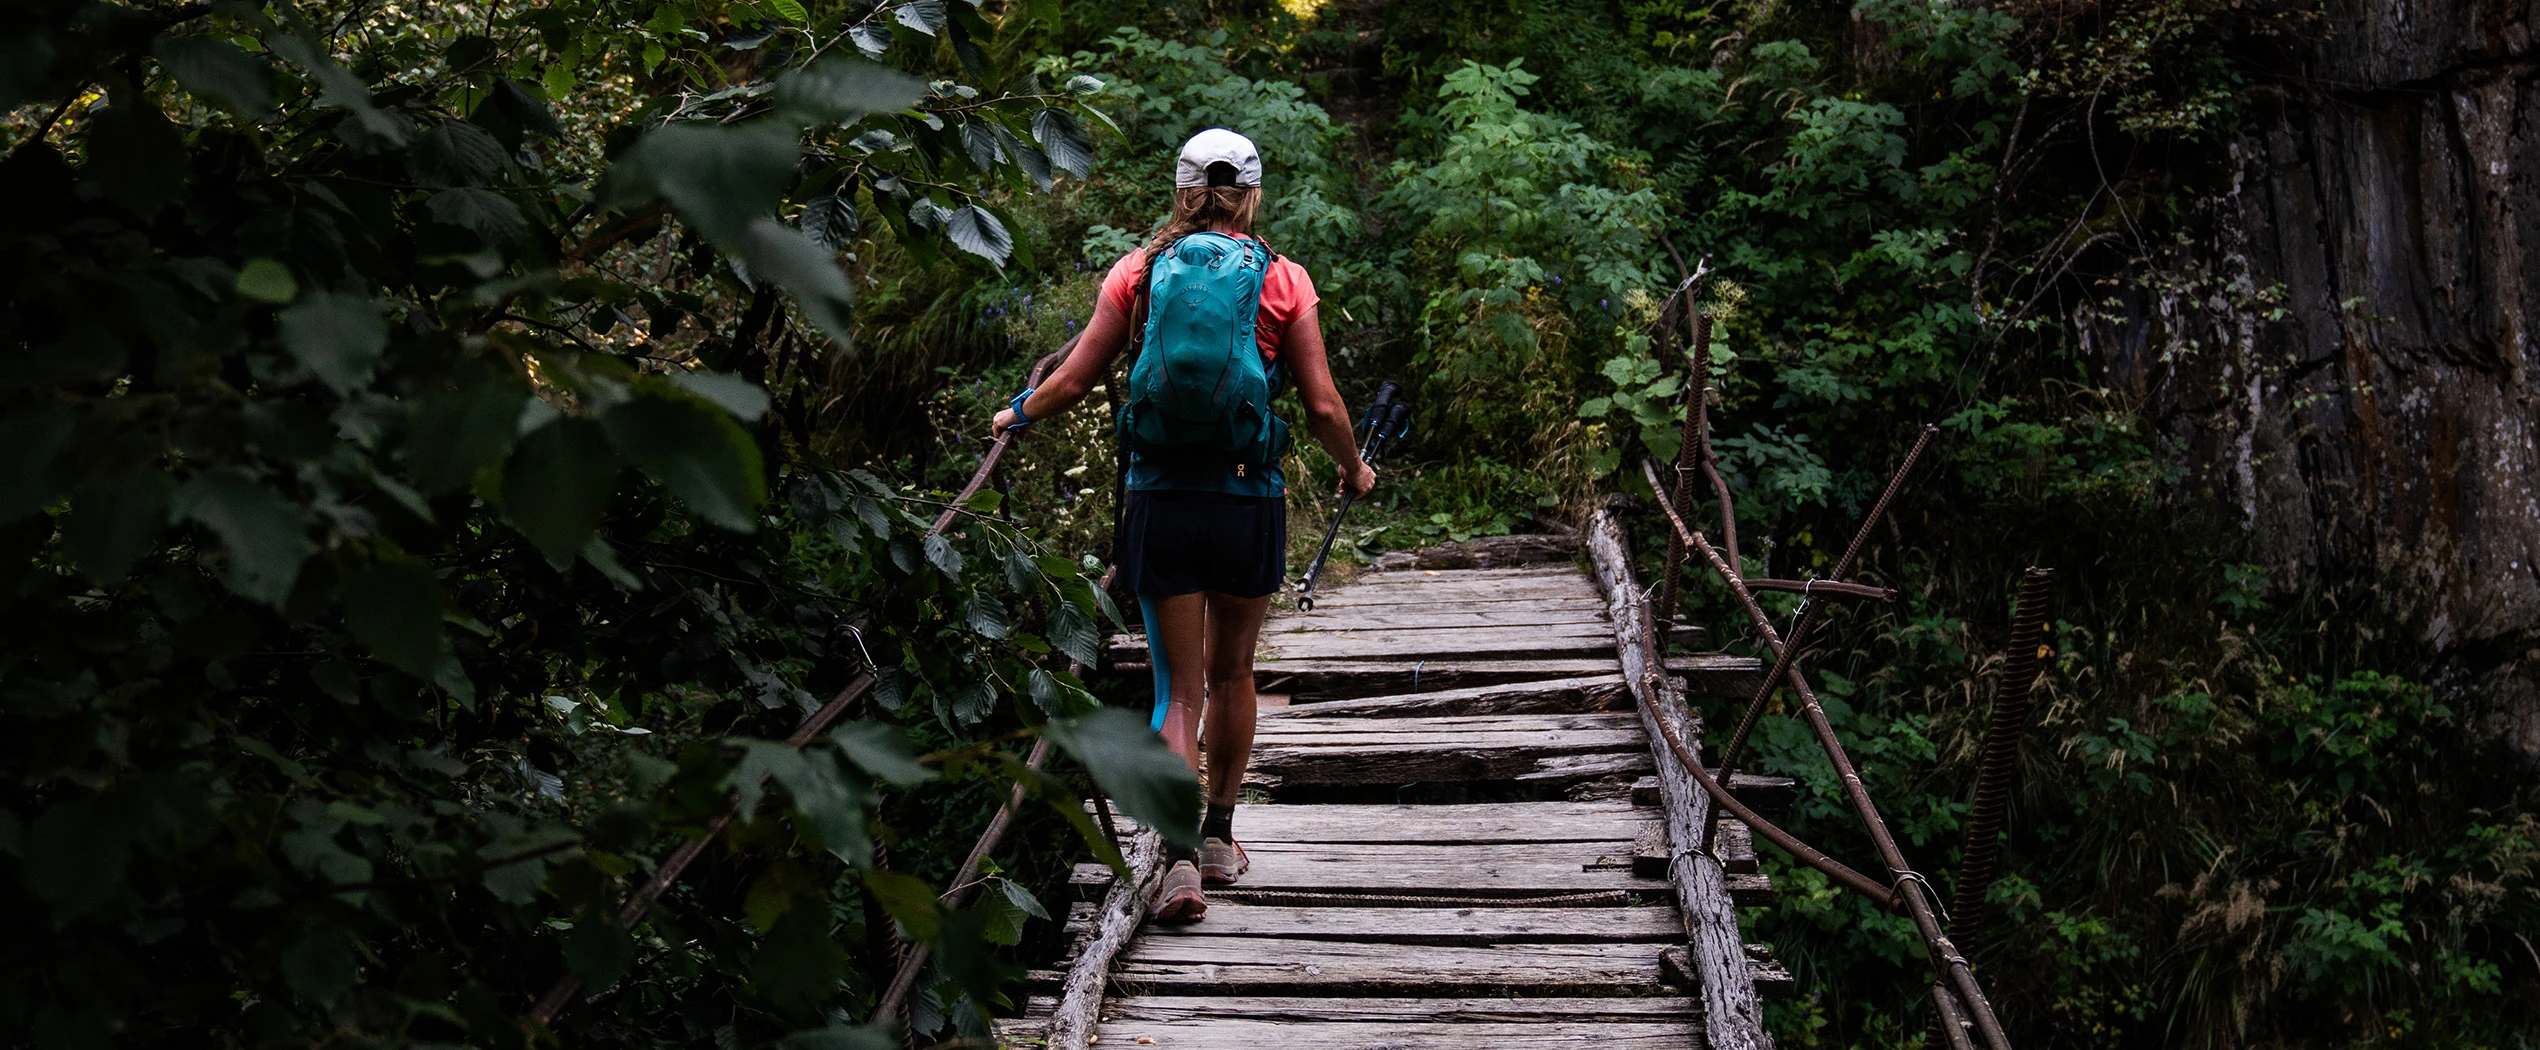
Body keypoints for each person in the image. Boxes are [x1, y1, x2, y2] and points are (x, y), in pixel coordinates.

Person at [992, 128, 1377, 923]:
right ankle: (1218, 836)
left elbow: (1072, 379)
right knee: (1235, 675)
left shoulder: (1137, 272)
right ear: (1253, 195)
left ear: (1181, 192)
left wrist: (1015, 414)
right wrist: (1354, 467)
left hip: (1161, 500)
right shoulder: (1284, 278)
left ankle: (1174, 861)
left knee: (1179, 690)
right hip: (1246, 502)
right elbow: (1323, 405)